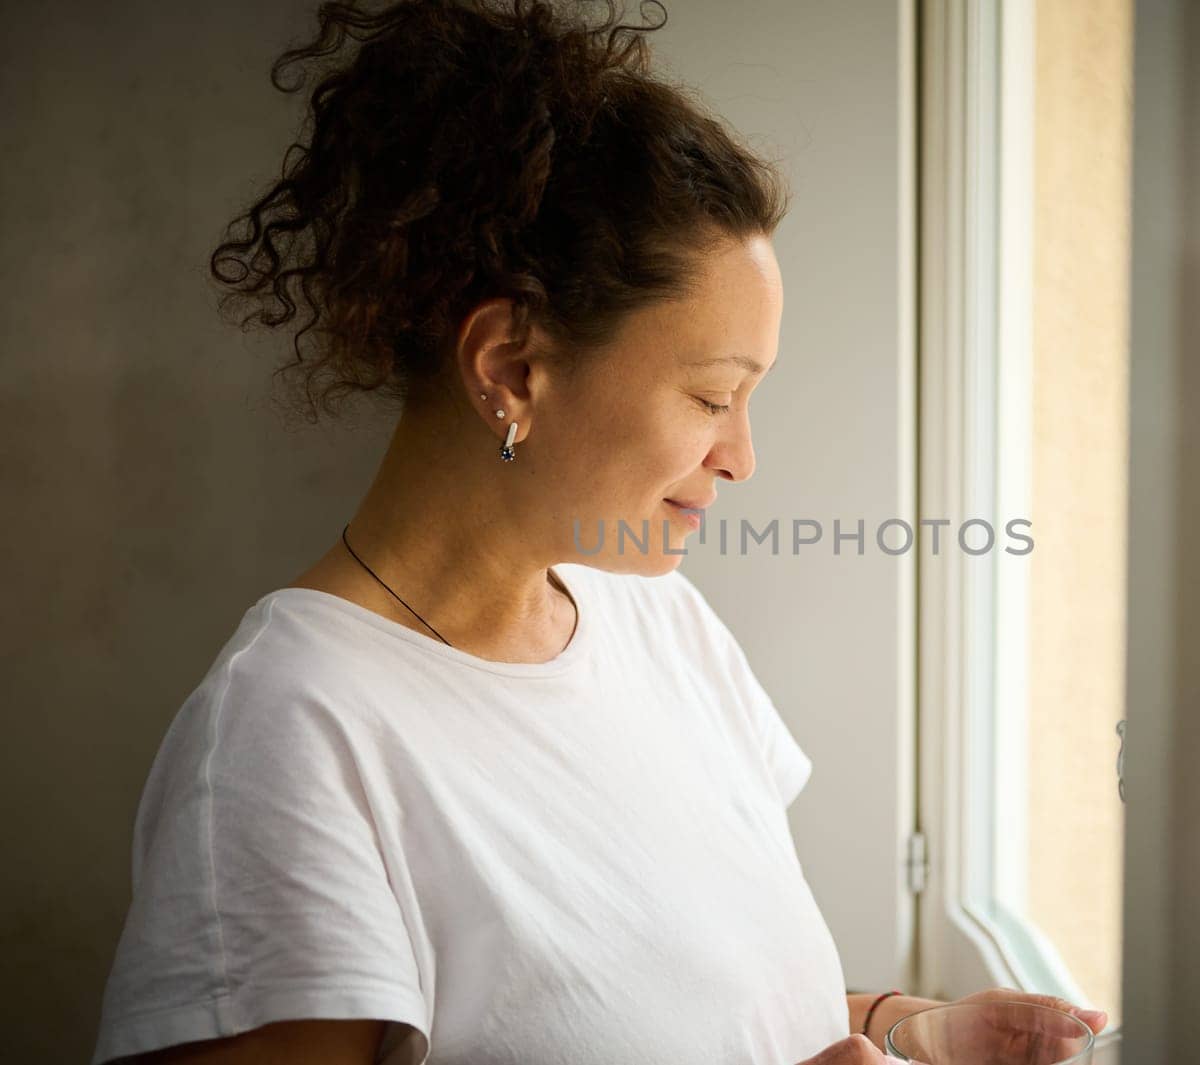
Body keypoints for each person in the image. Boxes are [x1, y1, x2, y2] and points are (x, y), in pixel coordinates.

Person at [89, 2, 1109, 1062]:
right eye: (713, 397)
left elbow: (672, 1008)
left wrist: (903, 1028)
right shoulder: (297, 734)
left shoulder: (662, 625)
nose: (741, 457)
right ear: (511, 370)